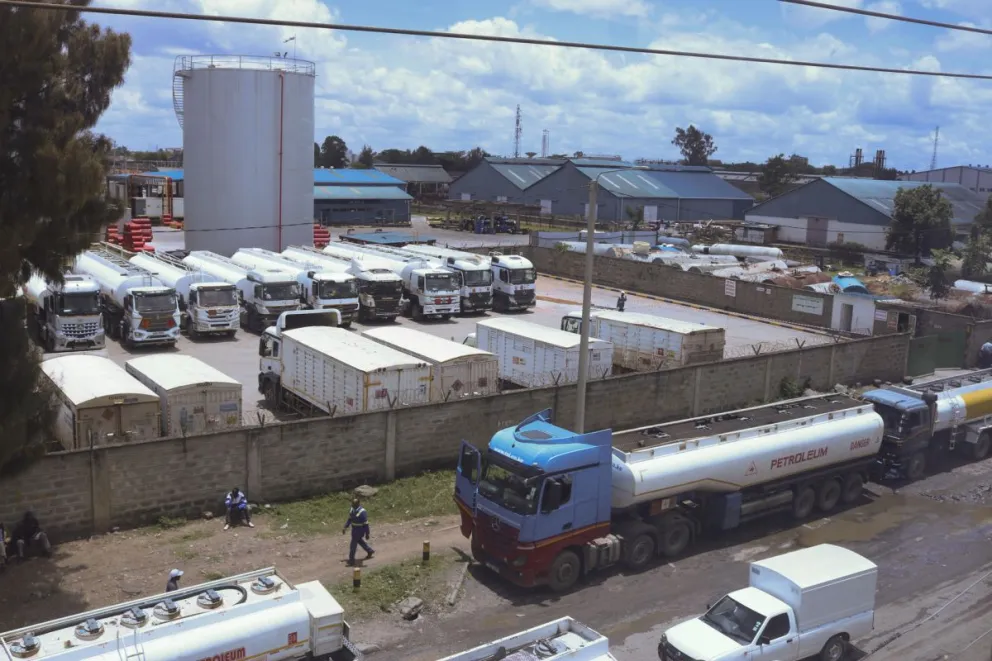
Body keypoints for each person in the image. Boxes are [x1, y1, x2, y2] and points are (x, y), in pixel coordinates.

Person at [342, 498, 374, 566]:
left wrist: (367, 533)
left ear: (358, 504)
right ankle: (370, 551)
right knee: (359, 541)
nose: (353, 506)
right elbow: (350, 519)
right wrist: (345, 527)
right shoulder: (352, 510)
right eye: (353, 504)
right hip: (354, 530)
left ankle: (351, 561)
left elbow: (366, 524)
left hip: (360, 530)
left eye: (355, 505)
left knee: (353, 546)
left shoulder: (362, 512)